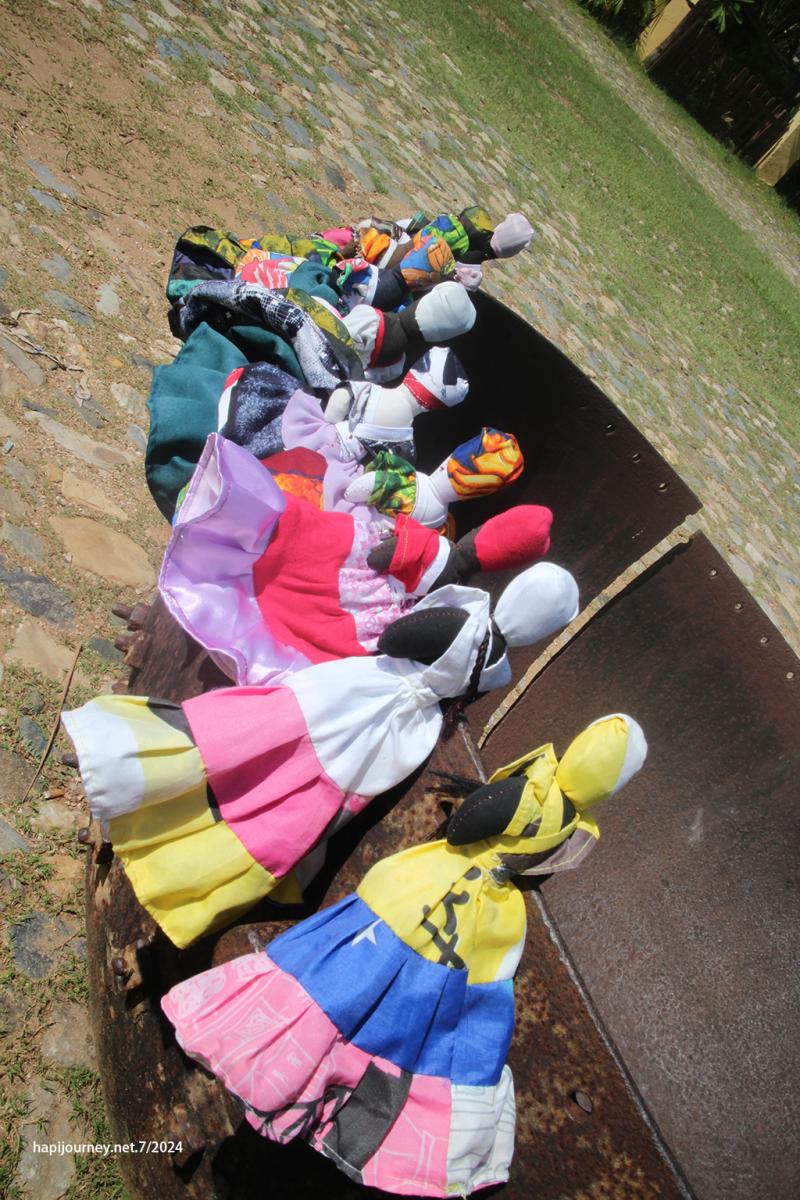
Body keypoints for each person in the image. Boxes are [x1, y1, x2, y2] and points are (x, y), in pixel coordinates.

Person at [161, 714, 647, 1196]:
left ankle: (285, 1064)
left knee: (347, 972)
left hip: (432, 891)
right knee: (440, 1009)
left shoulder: (534, 790)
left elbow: (464, 828)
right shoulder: (576, 826)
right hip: (488, 919)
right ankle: (379, 1120)